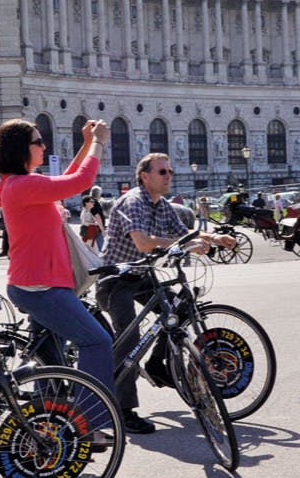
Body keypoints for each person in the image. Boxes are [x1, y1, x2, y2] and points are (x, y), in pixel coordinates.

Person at [97, 152, 235, 434]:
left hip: (141, 275)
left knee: (181, 308)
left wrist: (214, 238)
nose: (169, 176)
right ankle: (123, 410)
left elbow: (184, 232)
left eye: (170, 171)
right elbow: (144, 242)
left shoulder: (161, 205)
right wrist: (185, 246)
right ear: (144, 176)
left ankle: (158, 364)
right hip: (115, 279)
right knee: (129, 337)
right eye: (162, 172)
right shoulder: (133, 201)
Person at [0, 117, 116, 406]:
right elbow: (81, 182)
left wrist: (86, 143)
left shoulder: (21, 185)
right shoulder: (23, 185)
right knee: (97, 343)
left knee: (51, 368)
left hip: (40, 284)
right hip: (43, 287)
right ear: (20, 149)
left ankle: (45, 424)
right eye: (38, 142)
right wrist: (99, 142)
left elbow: (66, 182)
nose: (43, 146)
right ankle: (90, 423)